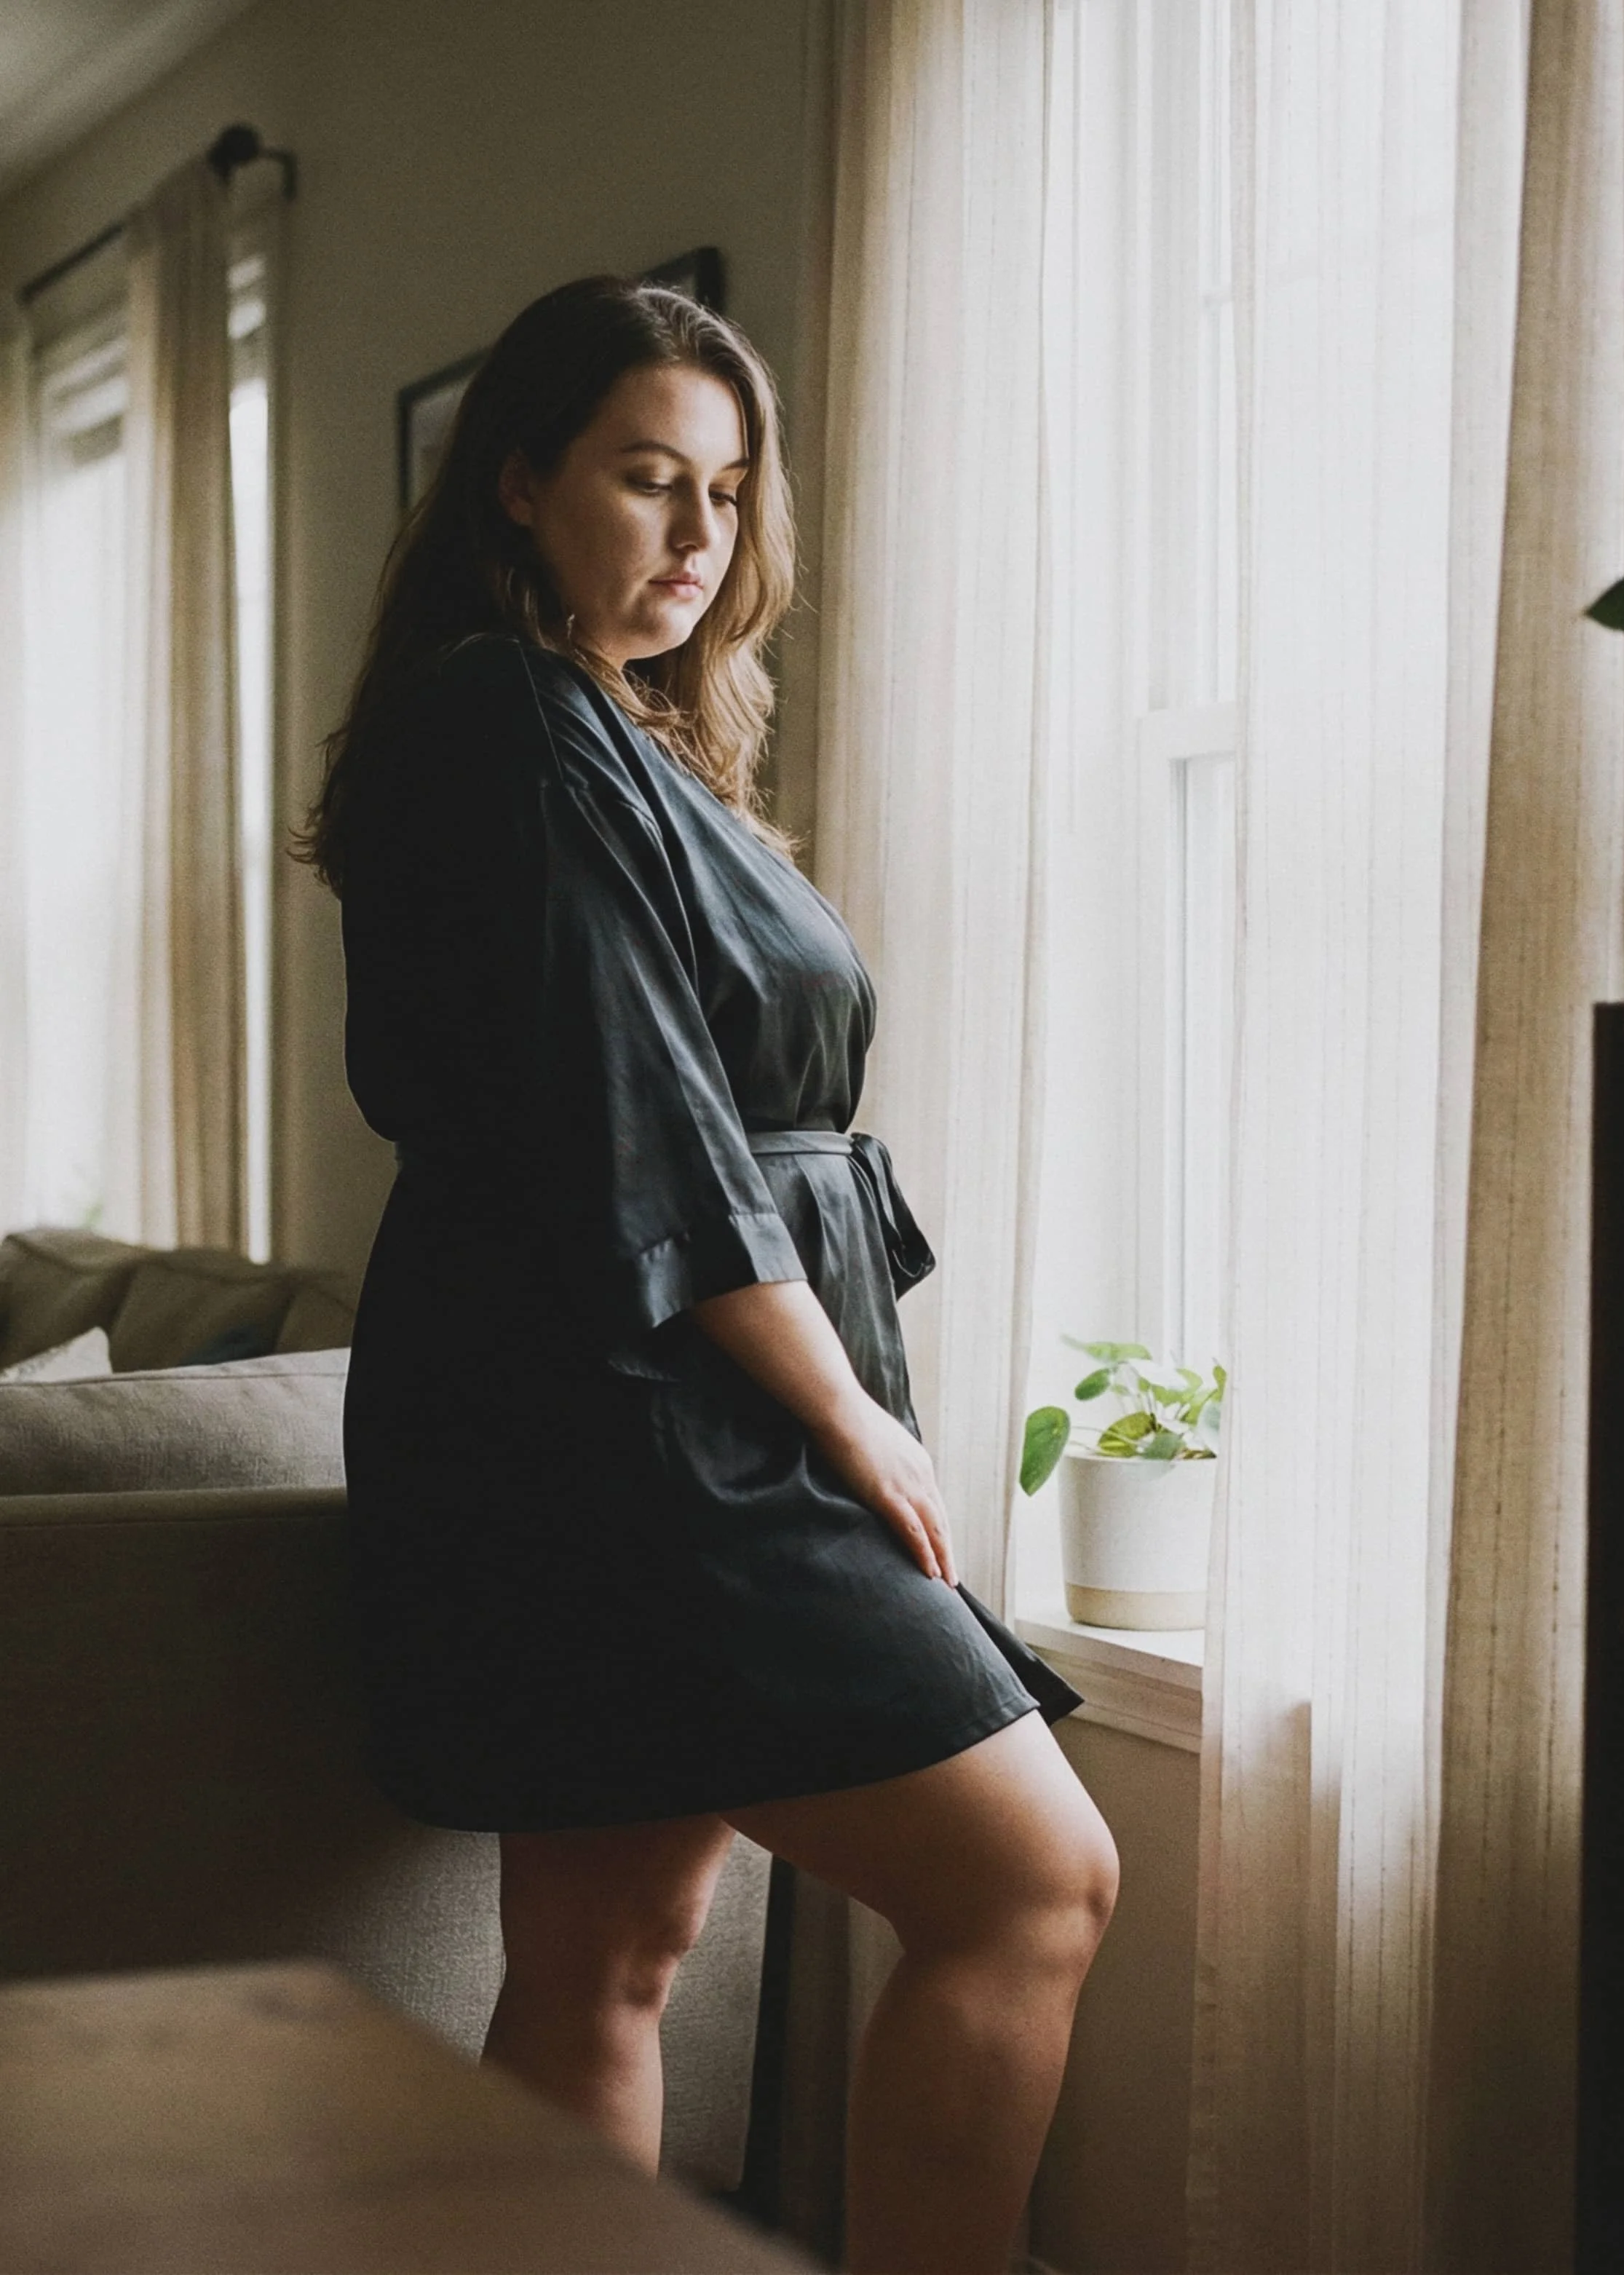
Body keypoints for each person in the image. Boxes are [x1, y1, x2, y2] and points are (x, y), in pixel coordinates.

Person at [301, 275, 1118, 2275]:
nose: (694, 540)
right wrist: (842, 1410)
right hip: (635, 1407)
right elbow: (627, 1122)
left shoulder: (625, 733)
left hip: (609, 1389)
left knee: (611, 1948)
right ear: (517, 485)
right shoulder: (500, 717)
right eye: (644, 480)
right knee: (1033, 1879)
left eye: (727, 494)